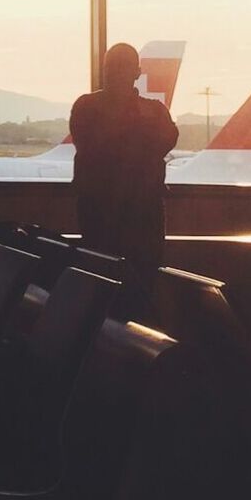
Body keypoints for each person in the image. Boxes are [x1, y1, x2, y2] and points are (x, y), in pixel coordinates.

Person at [69, 42, 180, 316]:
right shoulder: (154, 113)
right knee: (138, 296)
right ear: (139, 73)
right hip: (142, 217)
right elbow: (163, 141)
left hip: (102, 214)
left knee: (99, 296)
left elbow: (93, 147)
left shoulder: (86, 107)